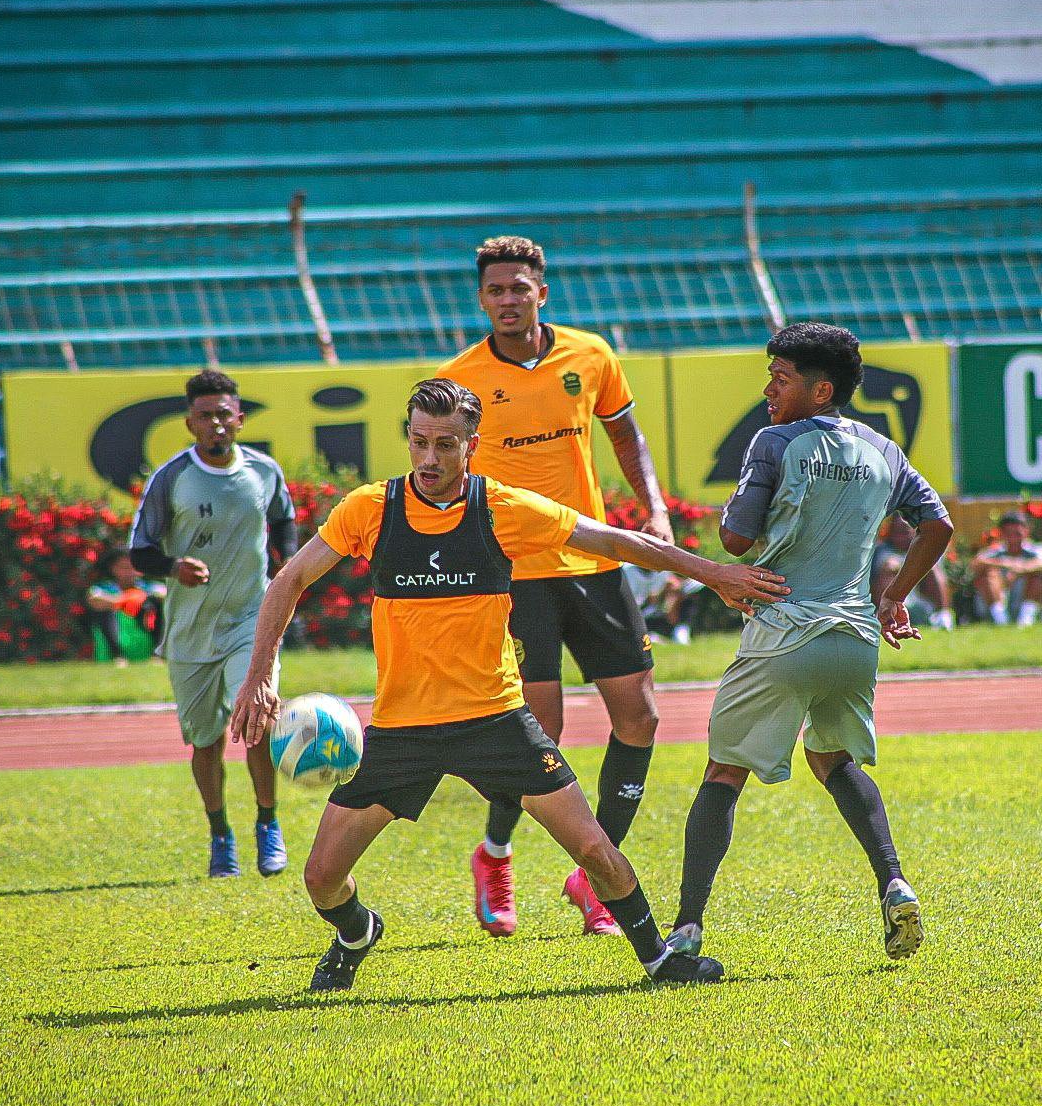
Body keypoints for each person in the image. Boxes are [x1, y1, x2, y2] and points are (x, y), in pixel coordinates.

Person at [229, 378, 789, 993]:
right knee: (320, 879)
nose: (430, 458)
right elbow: (288, 581)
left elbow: (614, 541)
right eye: (419, 442)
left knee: (596, 851)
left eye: (446, 444)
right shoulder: (370, 508)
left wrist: (713, 573)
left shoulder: (502, 508)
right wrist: (260, 676)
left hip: (496, 720)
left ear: (472, 444)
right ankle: (357, 933)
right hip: (402, 728)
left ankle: (659, 958)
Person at [663, 323, 953, 974]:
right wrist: (893, 595)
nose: (768, 389)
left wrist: (740, 517)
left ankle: (684, 931)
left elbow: (736, 541)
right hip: (852, 641)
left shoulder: (774, 442)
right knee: (832, 759)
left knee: (722, 774)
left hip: (783, 633)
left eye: (781, 378)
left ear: (821, 389)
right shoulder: (882, 448)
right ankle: (894, 884)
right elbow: (937, 525)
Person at [437, 235, 674, 939]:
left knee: (640, 716)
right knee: (538, 735)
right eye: (495, 291)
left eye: (519, 287)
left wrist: (653, 509)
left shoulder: (590, 355)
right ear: (480, 300)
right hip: (513, 576)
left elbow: (626, 436)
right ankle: (496, 855)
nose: (508, 300)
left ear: (543, 291)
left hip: (593, 566)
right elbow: (443, 481)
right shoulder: (460, 380)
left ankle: (594, 875)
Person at [129, 369, 299, 879]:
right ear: (190, 423)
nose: (217, 424)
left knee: (259, 722)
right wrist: (172, 567)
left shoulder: (264, 472)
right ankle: (220, 834)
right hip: (190, 633)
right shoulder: (171, 478)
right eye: (206, 416)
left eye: (225, 414)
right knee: (205, 742)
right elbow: (139, 552)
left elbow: (286, 521)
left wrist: (285, 573)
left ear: (240, 419)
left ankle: (268, 825)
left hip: (252, 621)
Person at [870, 513, 954, 630]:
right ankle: (884, 616)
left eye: (904, 531)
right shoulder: (880, 550)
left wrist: (902, 567)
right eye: (897, 531)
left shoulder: (924, 548)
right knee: (888, 568)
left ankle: (943, 616)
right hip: (890, 603)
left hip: (920, 602)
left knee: (931, 567)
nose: (901, 536)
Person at [86, 547, 166, 666]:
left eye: (133, 567)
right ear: (113, 569)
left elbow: (164, 592)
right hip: (112, 645)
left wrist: (140, 599)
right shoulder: (106, 588)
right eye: (124, 568)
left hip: (143, 643)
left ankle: (156, 655)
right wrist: (126, 600)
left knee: (154, 605)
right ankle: (118, 656)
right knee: (106, 610)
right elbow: (94, 597)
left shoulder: (146, 587)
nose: (129, 572)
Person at [971, 510, 1041, 626]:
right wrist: (1008, 564)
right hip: (995, 607)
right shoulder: (994, 552)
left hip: (1027, 604)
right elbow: (976, 563)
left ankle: (1025, 620)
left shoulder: (1036, 551)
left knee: (1037, 577)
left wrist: (1021, 570)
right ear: (1001, 533)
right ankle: (1000, 620)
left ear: (1026, 531)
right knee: (988, 575)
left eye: (1017, 534)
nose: (1013, 538)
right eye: (1009, 534)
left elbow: (1039, 563)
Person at [621, 564, 703, 645]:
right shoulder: (626, 570)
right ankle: (647, 636)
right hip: (628, 615)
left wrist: (675, 596)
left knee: (689, 595)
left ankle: (681, 630)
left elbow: (671, 585)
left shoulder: (661, 570)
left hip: (650, 612)